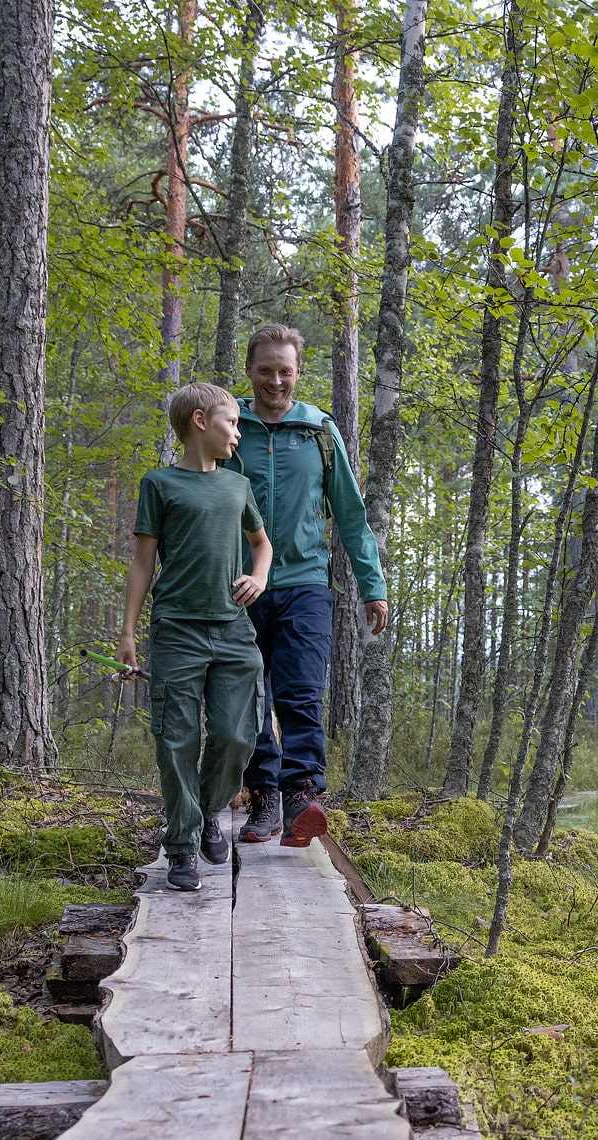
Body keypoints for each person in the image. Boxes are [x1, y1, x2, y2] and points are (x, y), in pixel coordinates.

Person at [225, 323, 390, 847]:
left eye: (286, 370)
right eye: (266, 369)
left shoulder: (318, 431)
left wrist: (373, 584)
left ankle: (300, 795)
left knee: (298, 691)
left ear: (299, 372)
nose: (276, 380)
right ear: (250, 370)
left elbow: (349, 512)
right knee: (245, 696)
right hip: (239, 584)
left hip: (305, 582)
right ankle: (264, 796)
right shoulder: (230, 428)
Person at [118, 382, 272, 892]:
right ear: (201, 422)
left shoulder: (238, 485)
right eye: (232, 423)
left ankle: (208, 811)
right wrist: (128, 633)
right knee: (176, 739)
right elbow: (143, 563)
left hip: (233, 629)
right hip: (177, 630)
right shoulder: (158, 485)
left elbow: (261, 543)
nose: (238, 433)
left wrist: (259, 577)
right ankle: (181, 845)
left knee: (235, 733)